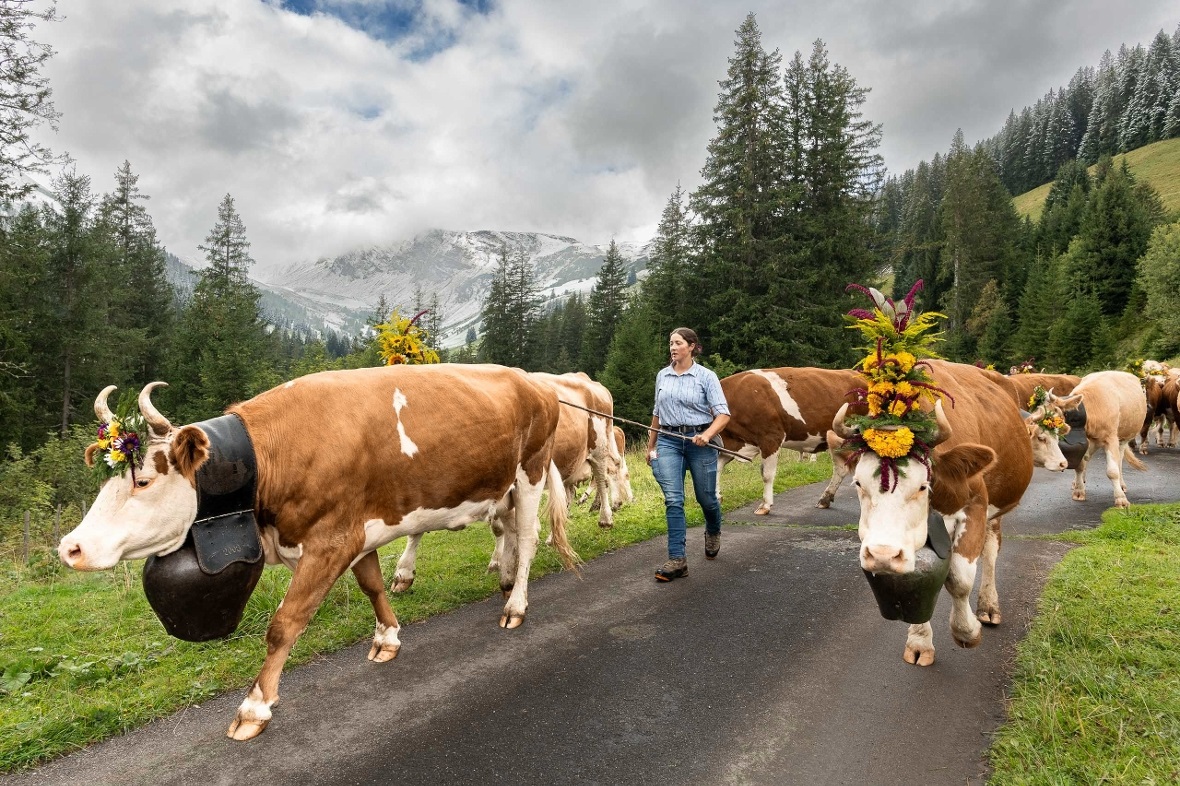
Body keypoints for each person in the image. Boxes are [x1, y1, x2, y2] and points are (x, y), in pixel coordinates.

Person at [645, 327, 731, 581]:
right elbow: (657, 414)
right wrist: (651, 447)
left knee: (706, 499)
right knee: (673, 499)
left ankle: (713, 529)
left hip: (699, 442)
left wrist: (706, 435)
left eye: (678, 343)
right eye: (671, 343)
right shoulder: (663, 376)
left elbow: (723, 414)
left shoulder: (706, 376)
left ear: (692, 346)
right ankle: (677, 560)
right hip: (669, 441)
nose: (673, 348)